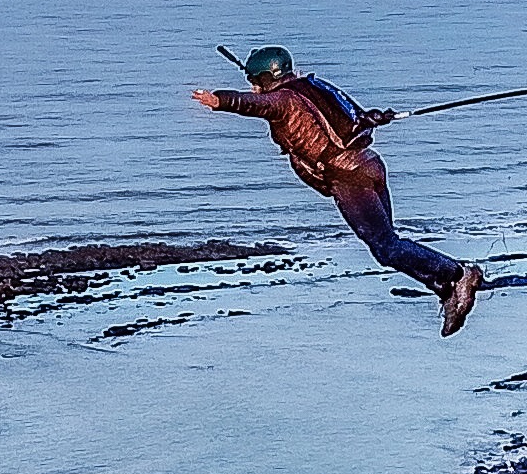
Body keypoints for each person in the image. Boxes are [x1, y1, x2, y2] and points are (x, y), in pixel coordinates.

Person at [190, 48, 486, 335]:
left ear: (266, 78)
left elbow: (254, 105)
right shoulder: (315, 86)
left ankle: (457, 276)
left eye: (254, 82)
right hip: (369, 166)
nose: (253, 89)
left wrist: (218, 101)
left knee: (386, 247)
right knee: (387, 245)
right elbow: (354, 114)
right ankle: (447, 288)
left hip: (349, 177)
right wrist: (374, 116)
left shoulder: (282, 101)